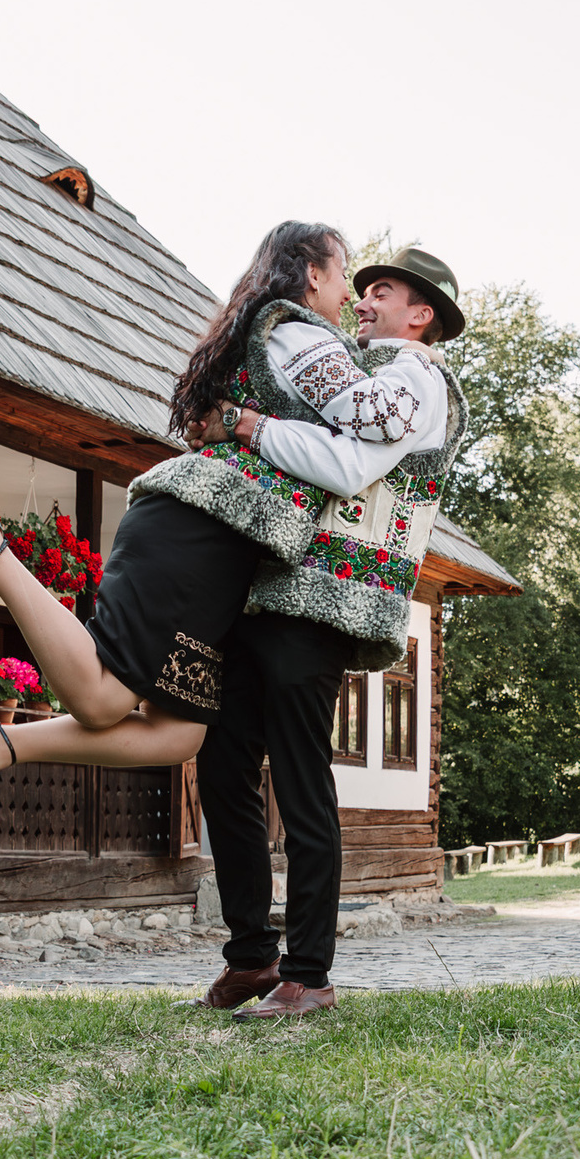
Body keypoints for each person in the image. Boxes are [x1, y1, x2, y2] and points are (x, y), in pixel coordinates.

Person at [0, 223, 454, 833]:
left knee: (177, 734)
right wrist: (419, 361)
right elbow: (370, 415)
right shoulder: (299, 332)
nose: (351, 296)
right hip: (199, 527)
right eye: (346, 276)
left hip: (222, 548)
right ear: (312, 274)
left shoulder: (295, 335)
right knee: (101, 698)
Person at [186, 248, 469, 1020]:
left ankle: (308, 971)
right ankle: (251, 955)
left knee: (303, 782)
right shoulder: (361, 371)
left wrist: (247, 426)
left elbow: (344, 468)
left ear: (422, 316)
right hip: (282, 590)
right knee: (224, 759)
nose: (366, 299)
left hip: (330, 598)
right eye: (364, 285)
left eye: (384, 290)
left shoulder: (413, 377)